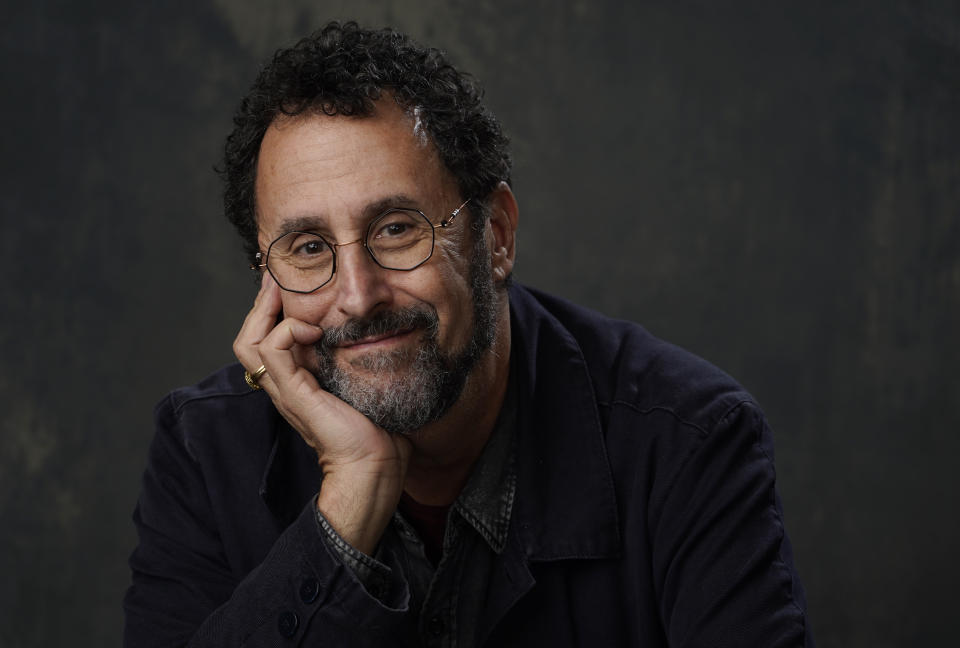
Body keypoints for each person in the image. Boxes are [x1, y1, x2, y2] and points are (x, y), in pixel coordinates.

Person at [124, 21, 814, 647]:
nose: (358, 297)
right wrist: (351, 500)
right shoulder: (204, 452)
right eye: (308, 248)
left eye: (397, 230)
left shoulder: (688, 441)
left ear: (497, 235)